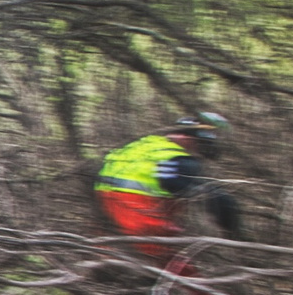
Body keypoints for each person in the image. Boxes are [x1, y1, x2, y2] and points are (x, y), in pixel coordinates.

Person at [95, 113, 243, 264]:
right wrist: (231, 224)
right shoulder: (176, 158)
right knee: (171, 267)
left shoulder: (144, 145)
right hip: (139, 213)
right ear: (193, 137)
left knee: (117, 256)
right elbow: (187, 188)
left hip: (109, 211)